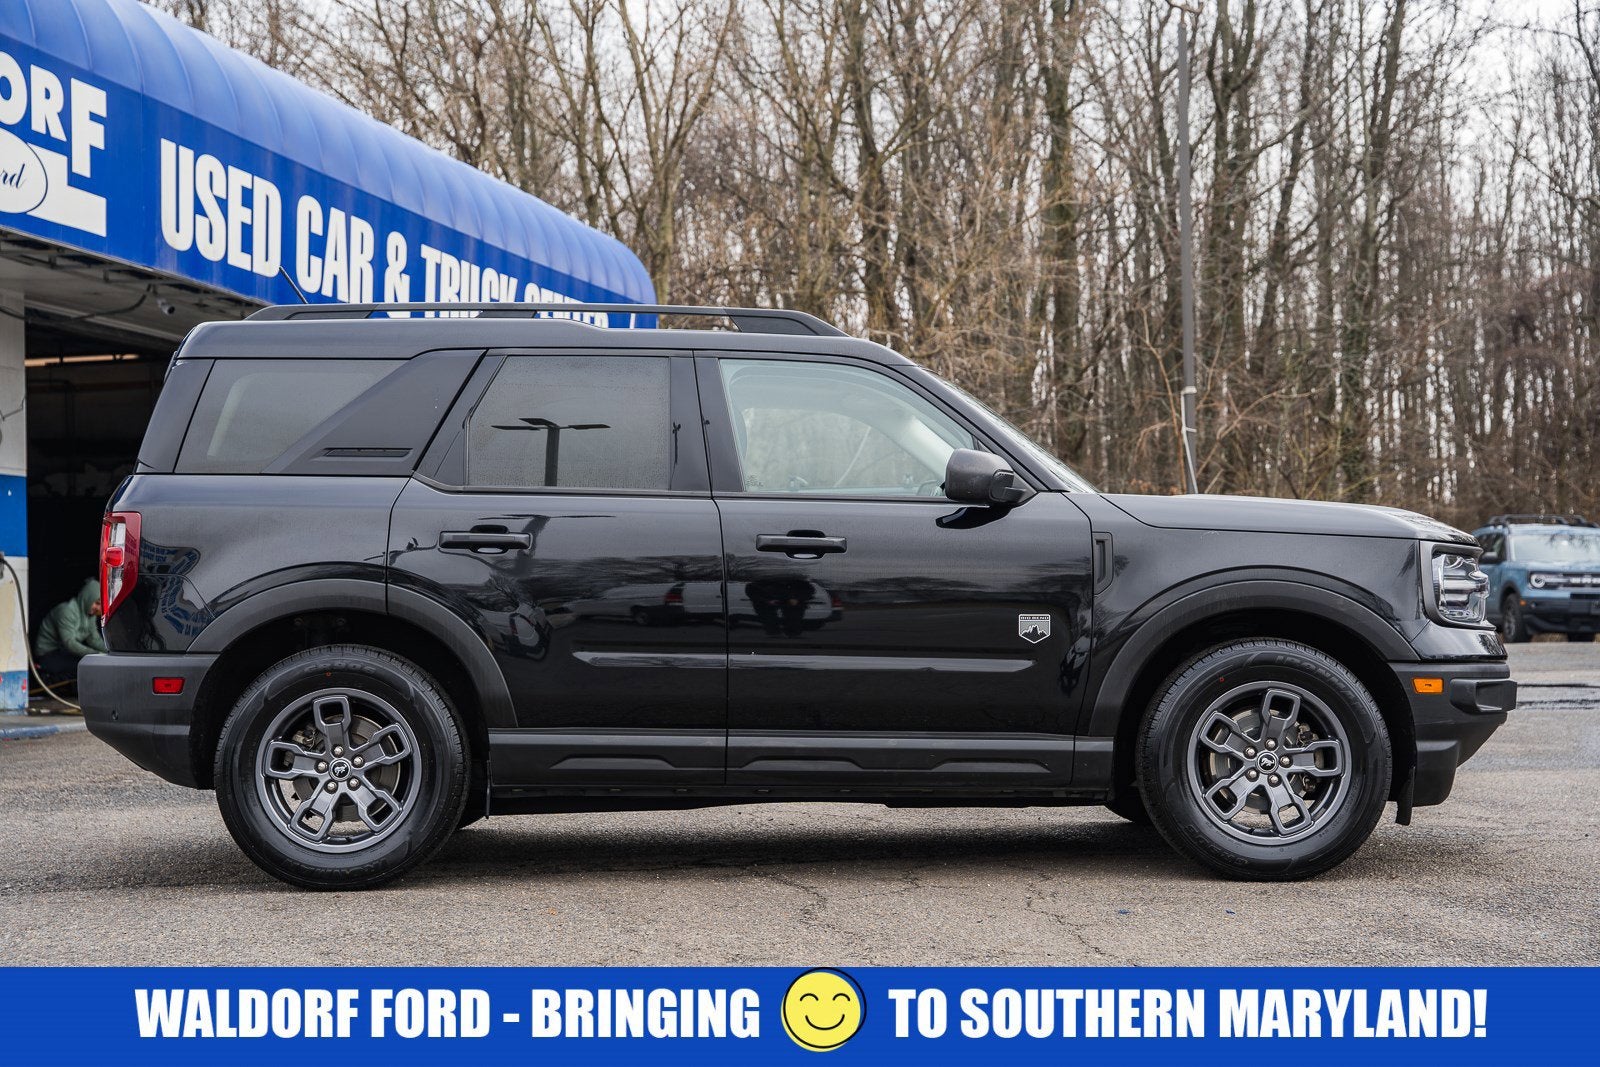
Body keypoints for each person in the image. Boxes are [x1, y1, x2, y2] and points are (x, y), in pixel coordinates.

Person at [34, 578, 106, 686]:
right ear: (87, 598)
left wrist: (111, 652)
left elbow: (94, 639)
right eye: (96, 603)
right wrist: (96, 655)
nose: (98, 608)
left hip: (62, 652)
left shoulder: (89, 615)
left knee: (86, 663)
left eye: (100, 605)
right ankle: (46, 677)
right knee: (81, 665)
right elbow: (69, 643)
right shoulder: (67, 611)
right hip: (47, 654)